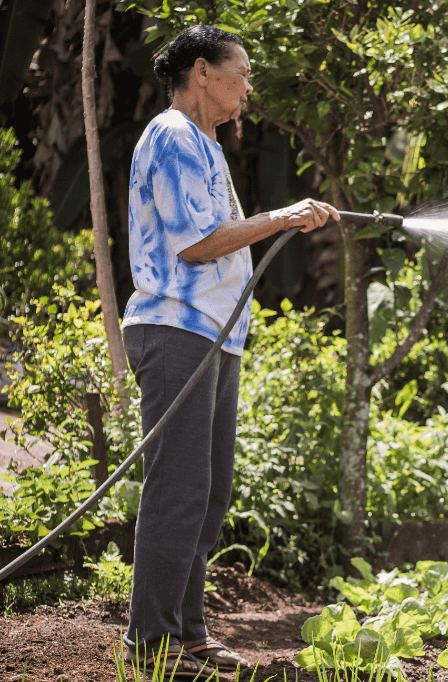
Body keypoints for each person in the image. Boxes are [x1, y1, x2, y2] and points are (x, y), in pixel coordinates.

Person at [121, 25, 338, 678]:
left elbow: (219, 234)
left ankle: (185, 635)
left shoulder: (207, 146)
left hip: (213, 337)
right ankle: (148, 643)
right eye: (241, 71)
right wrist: (282, 216)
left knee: (206, 493)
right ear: (201, 72)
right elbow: (197, 241)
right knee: (179, 489)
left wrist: (284, 219)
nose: (249, 85)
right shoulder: (174, 136)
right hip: (177, 331)